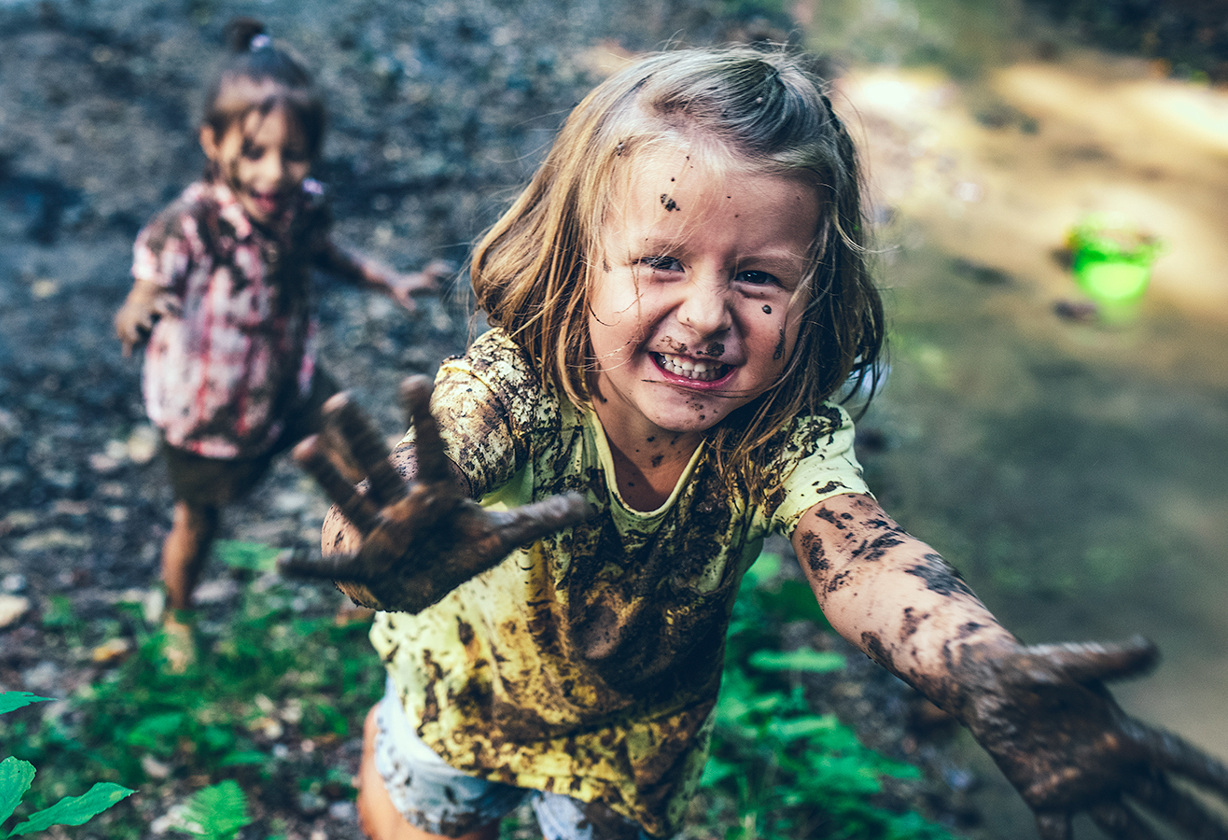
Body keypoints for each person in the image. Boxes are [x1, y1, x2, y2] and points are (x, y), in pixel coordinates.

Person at [283, 47, 1228, 840]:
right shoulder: (520, 384)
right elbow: (406, 489)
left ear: (817, 293)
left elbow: (866, 557)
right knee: (420, 814)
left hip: (634, 740)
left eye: (759, 278)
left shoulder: (775, 435)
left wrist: (972, 663)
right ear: (577, 264)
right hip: (461, 692)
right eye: (662, 262)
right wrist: (378, 549)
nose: (706, 315)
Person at [113, 18, 442, 671]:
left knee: (361, 468)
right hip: (209, 407)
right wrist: (139, 313)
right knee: (198, 518)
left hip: (291, 379)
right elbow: (144, 287)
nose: (274, 173)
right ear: (213, 142)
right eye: (255, 153)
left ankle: (371, 577)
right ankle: (178, 612)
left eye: (293, 155)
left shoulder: (302, 204)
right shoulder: (191, 224)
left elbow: (327, 253)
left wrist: (388, 279)